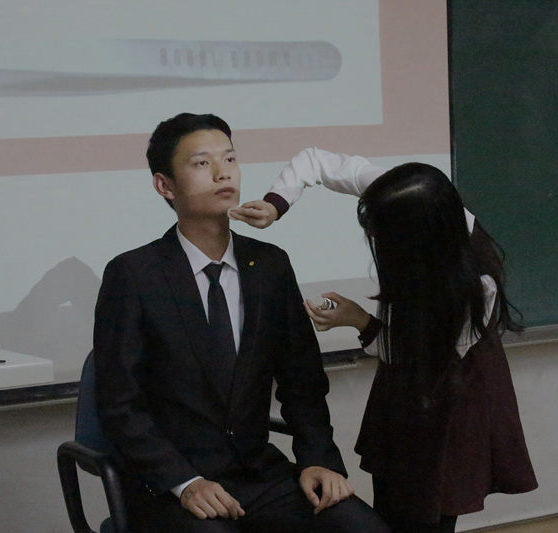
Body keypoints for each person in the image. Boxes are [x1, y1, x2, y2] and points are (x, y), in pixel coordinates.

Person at [93, 117, 389, 533]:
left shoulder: (269, 265)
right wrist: (185, 482)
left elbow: (302, 382)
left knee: (363, 528)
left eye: (230, 159)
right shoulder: (134, 275)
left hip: (261, 476)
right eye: (202, 163)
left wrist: (318, 460)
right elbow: (120, 405)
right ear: (164, 185)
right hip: (175, 487)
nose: (223, 173)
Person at [230, 148, 538, 533]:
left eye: (383, 235)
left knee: (427, 509)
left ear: (416, 242)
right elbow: (314, 161)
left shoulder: (473, 289)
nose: (374, 238)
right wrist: (276, 204)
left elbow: (418, 357)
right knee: (392, 501)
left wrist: (359, 320)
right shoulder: (402, 195)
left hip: (448, 396)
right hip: (408, 386)